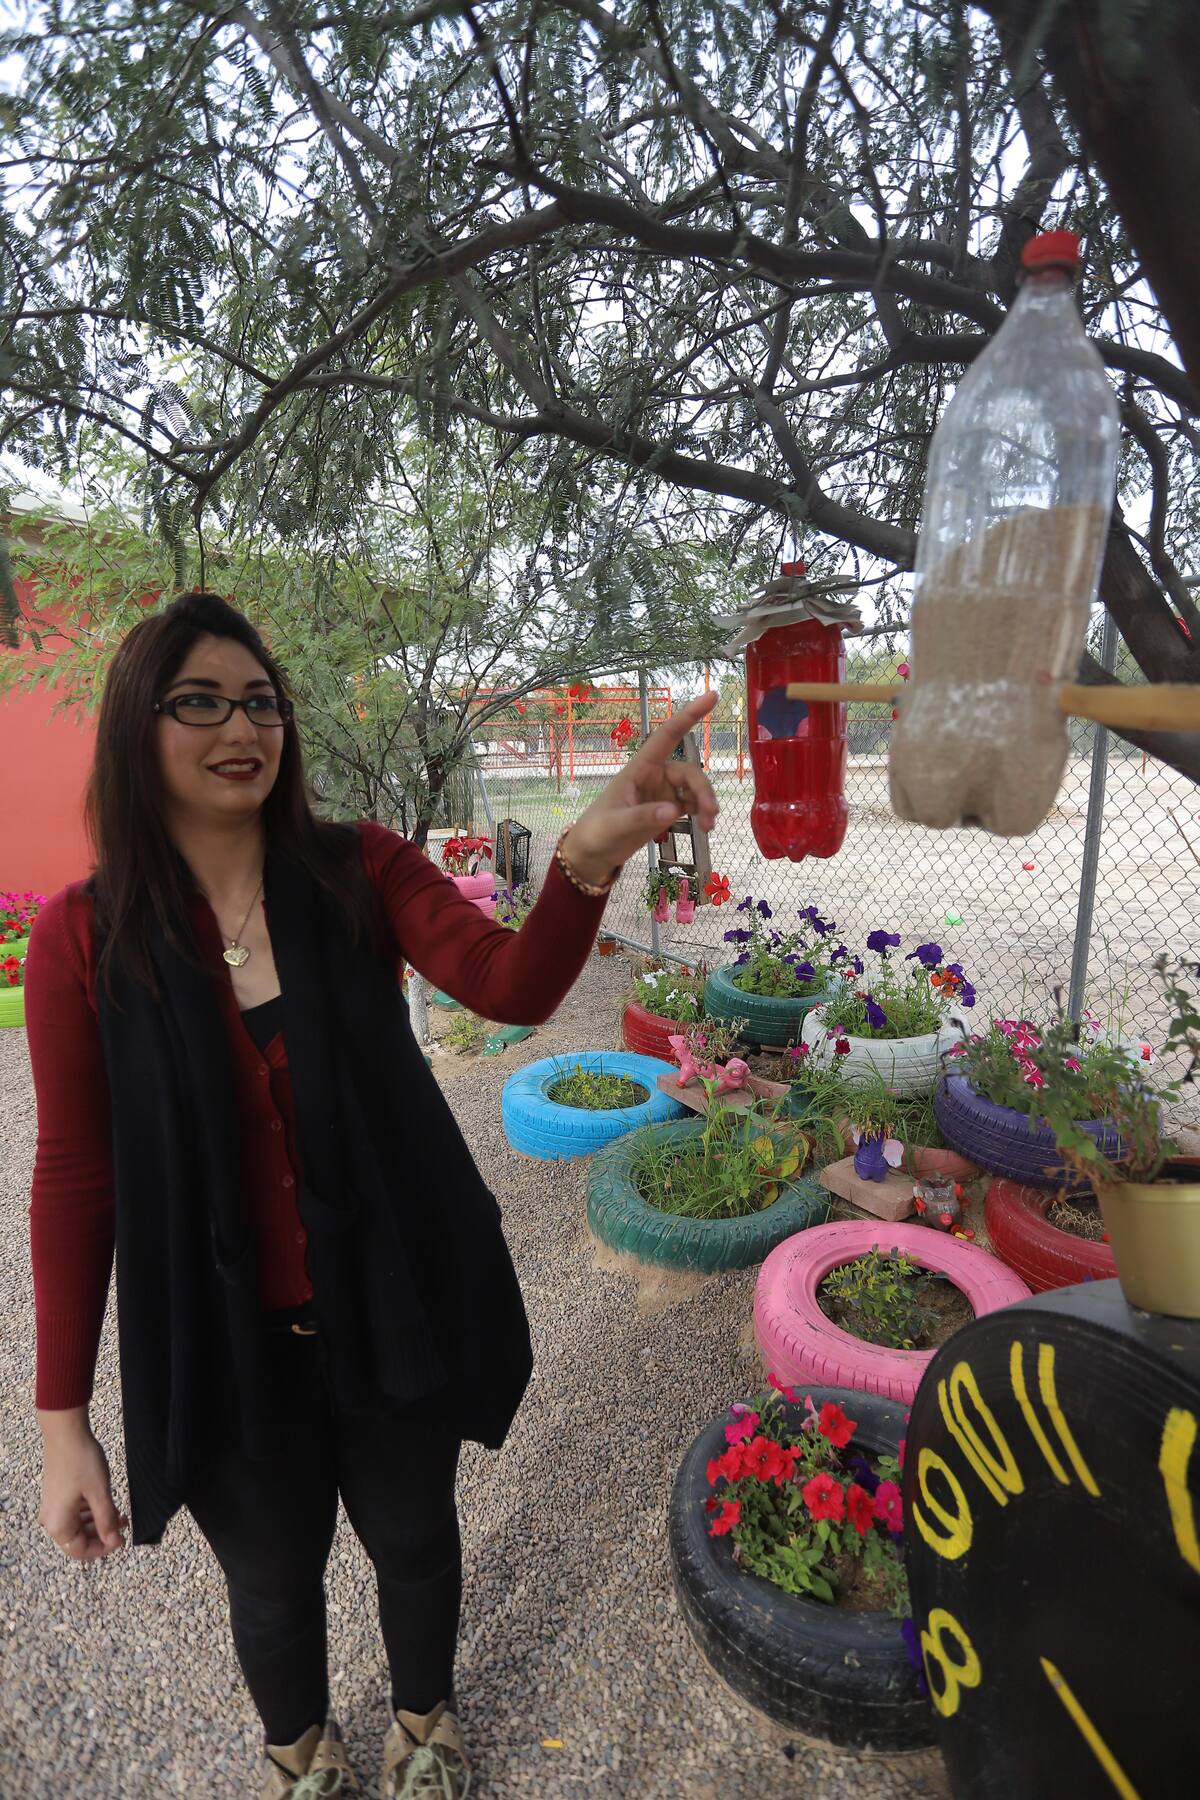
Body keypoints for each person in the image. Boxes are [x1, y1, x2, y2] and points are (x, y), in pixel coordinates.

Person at [26, 590, 719, 1800]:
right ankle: (301, 1758)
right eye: (202, 702)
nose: (243, 727)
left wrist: (588, 851)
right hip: (222, 1334)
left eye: (262, 702)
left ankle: (425, 1724)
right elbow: (76, 1175)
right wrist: (60, 1424)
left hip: (386, 1296)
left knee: (413, 1536)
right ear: (141, 724)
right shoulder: (88, 939)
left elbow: (503, 983)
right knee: (273, 1580)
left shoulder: (358, 868)